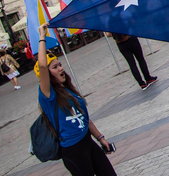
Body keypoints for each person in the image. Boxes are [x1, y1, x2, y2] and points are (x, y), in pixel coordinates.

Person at [36, 23, 116, 175]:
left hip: (88, 143)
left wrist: (101, 138)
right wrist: (42, 37)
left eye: (60, 65)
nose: (60, 68)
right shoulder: (48, 95)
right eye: (55, 67)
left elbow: (86, 118)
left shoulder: (69, 90)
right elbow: (42, 66)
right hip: (73, 151)